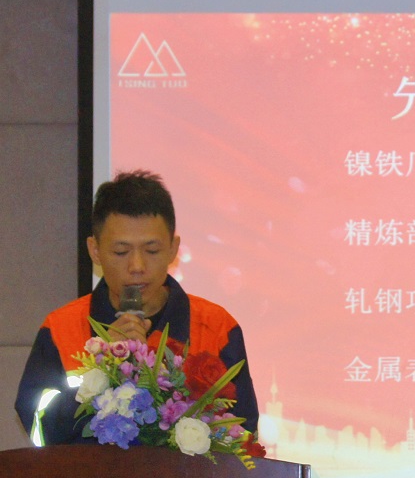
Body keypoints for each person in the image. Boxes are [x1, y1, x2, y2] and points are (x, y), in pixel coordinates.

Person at [15, 169, 259, 445]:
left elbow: (243, 431)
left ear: (173, 248)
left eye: (152, 251)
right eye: (121, 252)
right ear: (95, 250)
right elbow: (37, 428)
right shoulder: (61, 328)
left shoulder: (216, 327)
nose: (137, 266)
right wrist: (104, 370)